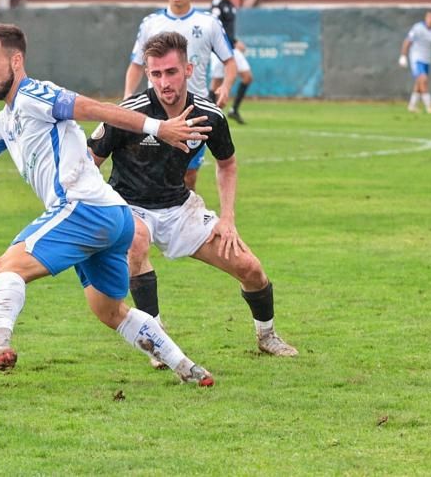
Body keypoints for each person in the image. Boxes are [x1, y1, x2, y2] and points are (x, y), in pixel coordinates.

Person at [0, 23, 216, 393]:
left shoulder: (36, 94)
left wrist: (158, 128)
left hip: (83, 207)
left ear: (16, 61)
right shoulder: (6, 119)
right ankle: (185, 365)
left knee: (5, 266)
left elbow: (91, 108)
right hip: (114, 217)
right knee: (109, 310)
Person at [88, 32, 297, 369]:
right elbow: (87, 162)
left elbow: (227, 165)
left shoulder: (209, 116)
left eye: (170, 72)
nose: (163, 82)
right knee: (136, 241)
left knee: (250, 268)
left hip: (180, 208)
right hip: (128, 205)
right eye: (155, 74)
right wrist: (104, 210)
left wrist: (227, 219)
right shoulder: (131, 114)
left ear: (188, 69)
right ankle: (156, 340)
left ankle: (267, 336)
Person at [124, 0, 236, 194]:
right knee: (149, 172)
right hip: (154, 109)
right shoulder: (151, 24)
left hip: (194, 111)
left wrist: (225, 86)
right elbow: (136, 64)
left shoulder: (209, 24)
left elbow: (230, 61)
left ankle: (184, 219)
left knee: (188, 174)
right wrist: (127, 99)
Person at [209, 0, 253, 126]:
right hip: (219, 49)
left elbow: (228, 29)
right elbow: (214, 25)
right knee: (216, 83)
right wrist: (234, 41)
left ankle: (234, 109)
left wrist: (234, 42)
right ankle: (209, 114)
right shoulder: (217, 3)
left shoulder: (231, 5)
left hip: (231, 48)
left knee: (247, 77)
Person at [399, 10, 431, 114]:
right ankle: (429, 106)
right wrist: (403, 55)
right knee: (423, 79)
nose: (430, 20)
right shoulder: (418, 27)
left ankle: (412, 105)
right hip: (416, 57)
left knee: (419, 82)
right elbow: (408, 41)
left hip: (426, 58)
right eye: (428, 17)